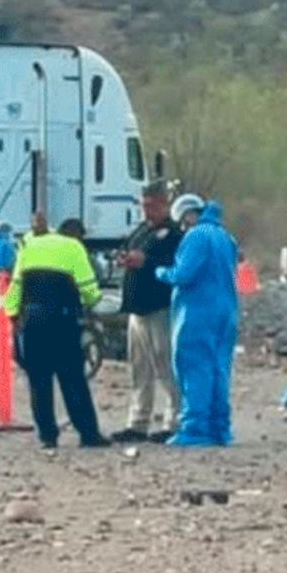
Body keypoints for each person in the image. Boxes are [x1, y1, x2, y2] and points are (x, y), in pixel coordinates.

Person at [3, 217, 110, 449]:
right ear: (76, 235)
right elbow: (89, 290)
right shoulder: (73, 247)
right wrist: (92, 302)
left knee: (39, 381)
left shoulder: (30, 246)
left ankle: (47, 436)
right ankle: (88, 434)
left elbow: (15, 289)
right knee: (72, 379)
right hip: (61, 321)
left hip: (32, 321)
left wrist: (14, 317)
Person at [155, 195, 239, 447]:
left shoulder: (196, 236)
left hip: (197, 312)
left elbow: (184, 274)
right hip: (226, 310)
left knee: (194, 368)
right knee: (218, 368)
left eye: (182, 222)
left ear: (188, 215)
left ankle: (195, 428)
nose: (182, 228)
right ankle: (219, 428)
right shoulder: (226, 237)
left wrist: (161, 272)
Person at [109, 181, 184, 444]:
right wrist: (124, 258)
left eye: (152, 205)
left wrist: (147, 262)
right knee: (139, 369)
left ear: (164, 203)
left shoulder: (174, 234)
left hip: (159, 307)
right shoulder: (142, 230)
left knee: (165, 366)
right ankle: (138, 422)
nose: (147, 211)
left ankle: (174, 421)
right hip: (136, 308)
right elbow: (130, 251)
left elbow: (176, 265)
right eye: (144, 205)